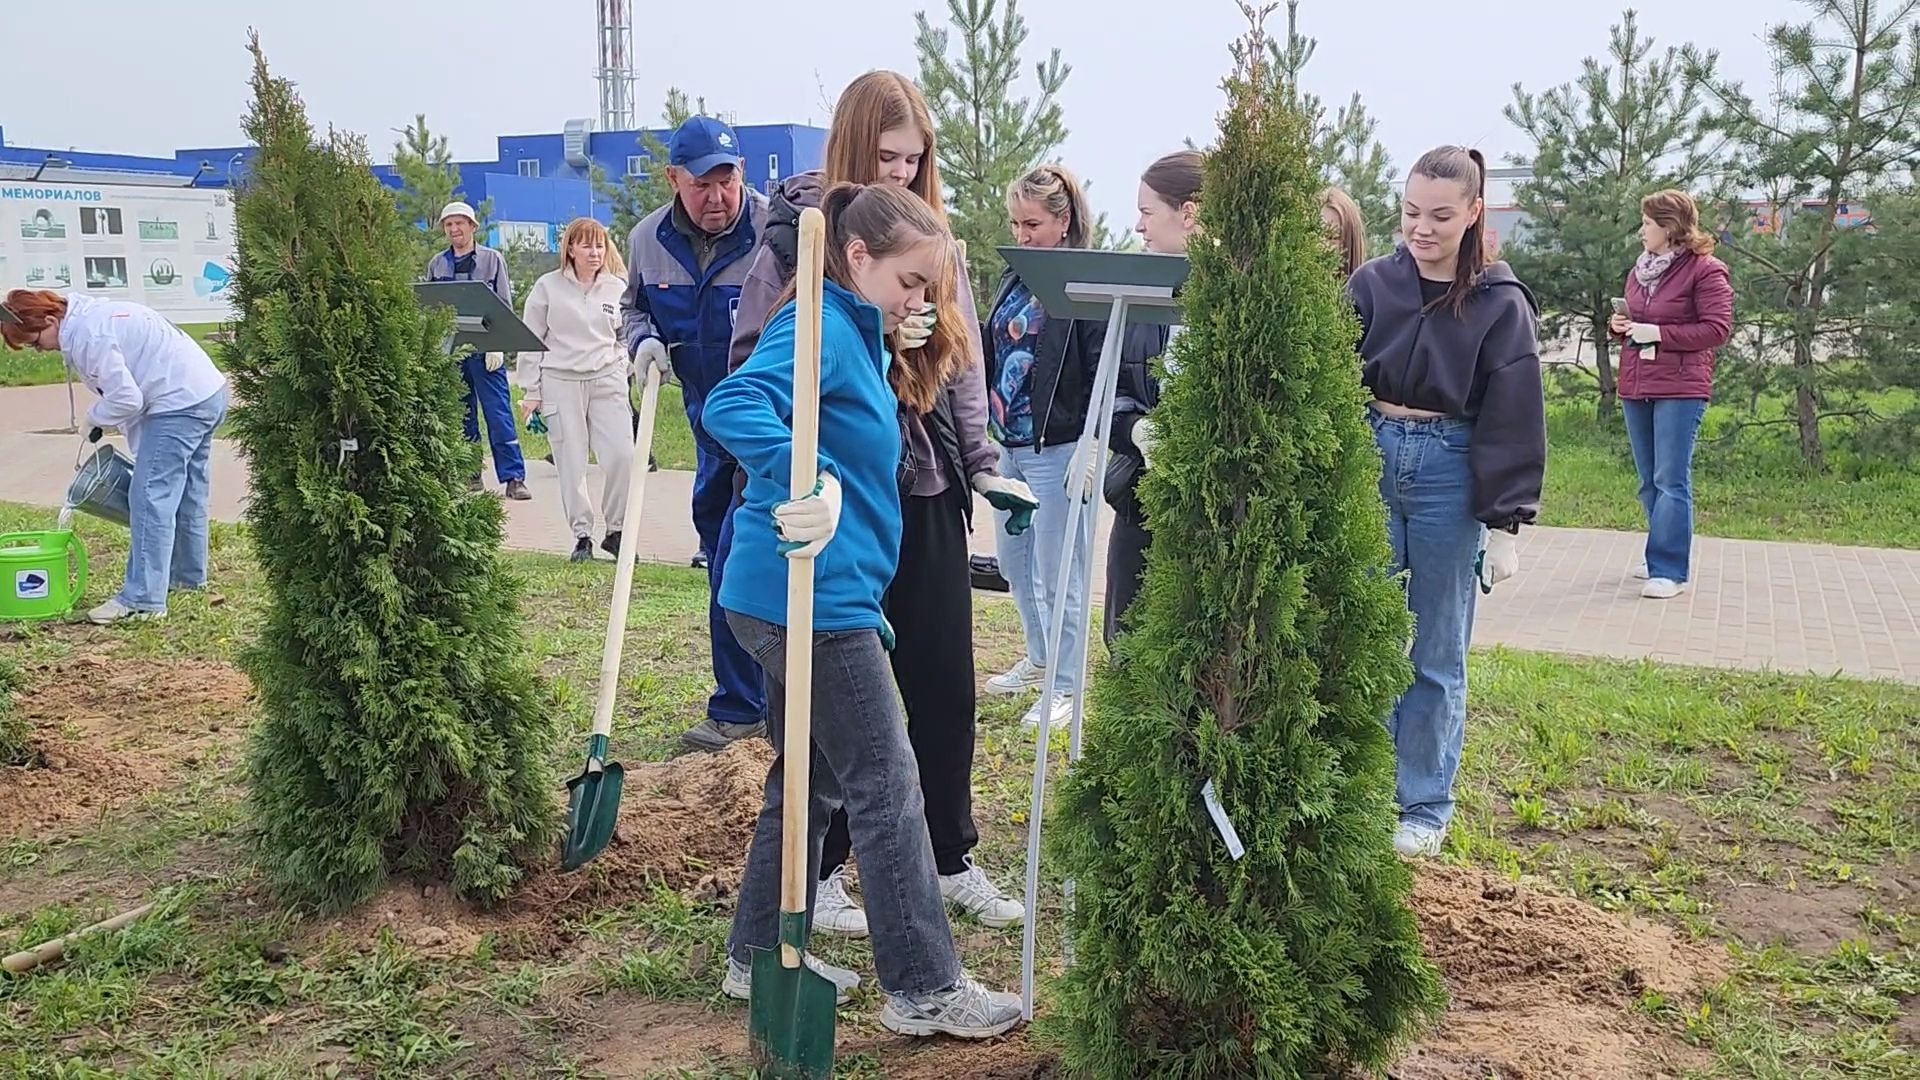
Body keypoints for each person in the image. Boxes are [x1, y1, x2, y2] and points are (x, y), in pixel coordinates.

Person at [703, 182, 1025, 1040]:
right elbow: (733, 403)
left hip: (817, 595)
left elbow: (854, 418)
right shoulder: (818, 327)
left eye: (930, 290)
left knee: (809, 781)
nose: (921, 300)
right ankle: (924, 986)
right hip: (804, 599)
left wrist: (896, 346)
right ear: (857, 259)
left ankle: (754, 953)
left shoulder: (856, 335)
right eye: (910, 282)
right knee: (887, 783)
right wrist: (799, 476)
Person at [1346, 146, 1546, 858]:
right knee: (1362, 639)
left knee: (1434, 650)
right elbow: (1333, 381)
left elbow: (1514, 412)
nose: (1420, 229)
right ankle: (1357, 789)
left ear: (1472, 214)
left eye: (1439, 216)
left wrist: (1506, 524)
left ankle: (1423, 805)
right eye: (1409, 213)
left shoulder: (1499, 302)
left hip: (1449, 470)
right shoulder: (1373, 284)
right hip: (1371, 456)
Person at [983, 163, 1163, 727]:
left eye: (1032, 223)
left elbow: (1099, 370)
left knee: (1060, 571)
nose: (1021, 235)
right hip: (1011, 442)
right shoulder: (1020, 277)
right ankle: (1039, 661)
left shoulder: (1086, 282)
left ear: (1064, 222)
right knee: (1015, 564)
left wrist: (1091, 443)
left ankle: (1066, 685)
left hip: (1060, 445)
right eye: (1014, 223)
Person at [619, 115, 771, 752]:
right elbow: (633, 306)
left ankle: (746, 708)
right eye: (702, 183)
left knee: (743, 557)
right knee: (720, 555)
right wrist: (643, 340)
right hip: (707, 426)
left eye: (728, 179)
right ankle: (751, 702)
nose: (718, 196)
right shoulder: (648, 241)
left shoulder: (776, 231)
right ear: (674, 179)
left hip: (768, 431)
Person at [2, 289, 229, 625]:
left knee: (149, 498)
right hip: (206, 393)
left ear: (50, 320)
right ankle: (186, 580)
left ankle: (143, 600)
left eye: (35, 341)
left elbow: (127, 399)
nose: (39, 349)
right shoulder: (91, 317)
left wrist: (95, 417)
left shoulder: (90, 335)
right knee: (187, 494)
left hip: (178, 404)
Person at [1609, 189, 1732, 600]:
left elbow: (1717, 329)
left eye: (1647, 223)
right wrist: (1621, 325)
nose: (1641, 231)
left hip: (1681, 388)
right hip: (1637, 383)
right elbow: (1636, 320)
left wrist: (1659, 333)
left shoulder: (1706, 270)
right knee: (1648, 480)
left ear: (1669, 226)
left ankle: (1669, 569)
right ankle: (1658, 548)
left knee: (1670, 479)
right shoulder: (1639, 270)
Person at [1102, 151, 1196, 645]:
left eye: (1146, 212)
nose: (1138, 226)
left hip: (1215, 515)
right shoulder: (1136, 296)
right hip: (1140, 498)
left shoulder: (1248, 299)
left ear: (1189, 213)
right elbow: (1108, 392)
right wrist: (1137, 429)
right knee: (1128, 640)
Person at [519, 217, 637, 563]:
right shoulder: (547, 287)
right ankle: (582, 535)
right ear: (570, 249)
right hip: (560, 379)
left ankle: (616, 531)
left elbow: (626, 333)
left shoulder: (616, 287)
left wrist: (623, 363)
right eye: (586, 245)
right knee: (571, 461)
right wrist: (531, 391)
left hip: (606, 379)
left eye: (599, 245)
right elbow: (531, 340)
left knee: (622, 455)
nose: (594, 252)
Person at [426, 201, 529, 500]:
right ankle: (470, 474)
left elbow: (504, 305)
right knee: (462, 415)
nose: (454, 229)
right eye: (449, 225)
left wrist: (498, 344)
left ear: (472, 226)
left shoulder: (492, 260)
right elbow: (431, 309)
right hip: (454, 351)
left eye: (460, 223)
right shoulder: (437, 264)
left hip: (486, 351)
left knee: (498, 414)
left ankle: (513, 478)